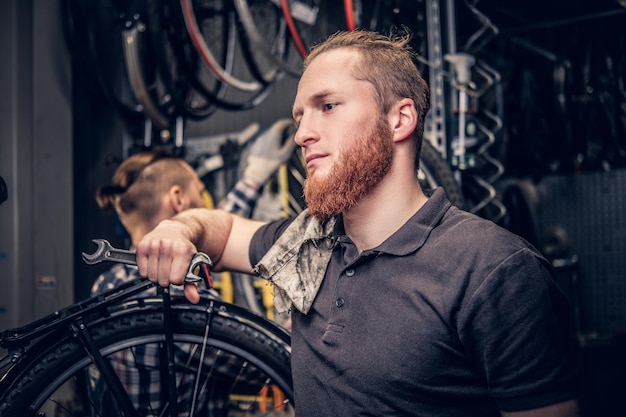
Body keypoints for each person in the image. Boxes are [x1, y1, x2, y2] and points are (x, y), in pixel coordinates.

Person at [135, 30, 580, 417]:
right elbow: (225, 231)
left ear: (399, 119)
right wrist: (179, 230)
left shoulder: (495, 270)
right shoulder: (308, 244)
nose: (302, 134)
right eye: (300, 116)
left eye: (327, 106)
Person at [88, 119, 295, 416]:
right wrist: (301, 323)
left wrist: (252, 179)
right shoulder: (177, 291)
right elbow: (260, 364)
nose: (205, 202)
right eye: (200, 191)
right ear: (178, 199)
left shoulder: (106, 282)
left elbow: (212, 231)